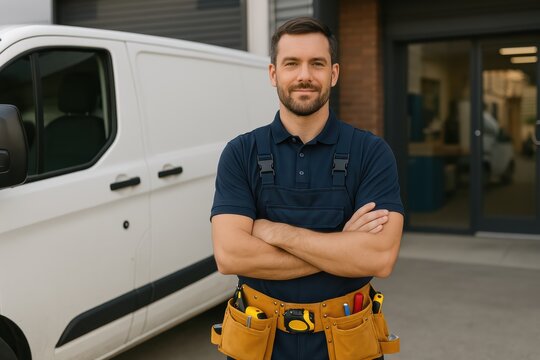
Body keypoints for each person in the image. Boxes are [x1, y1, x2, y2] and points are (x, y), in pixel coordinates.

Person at [211, 17, 404, 360]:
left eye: (317, 63)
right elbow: (230, 256)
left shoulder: (371, 152)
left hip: (348, 341)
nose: (304, 75)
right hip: (259, 341)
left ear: (334, 73)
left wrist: (275, 231)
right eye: (291, 64)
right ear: (274, 74)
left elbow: (379, 257)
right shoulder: (241, 153)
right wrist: (342, 245)